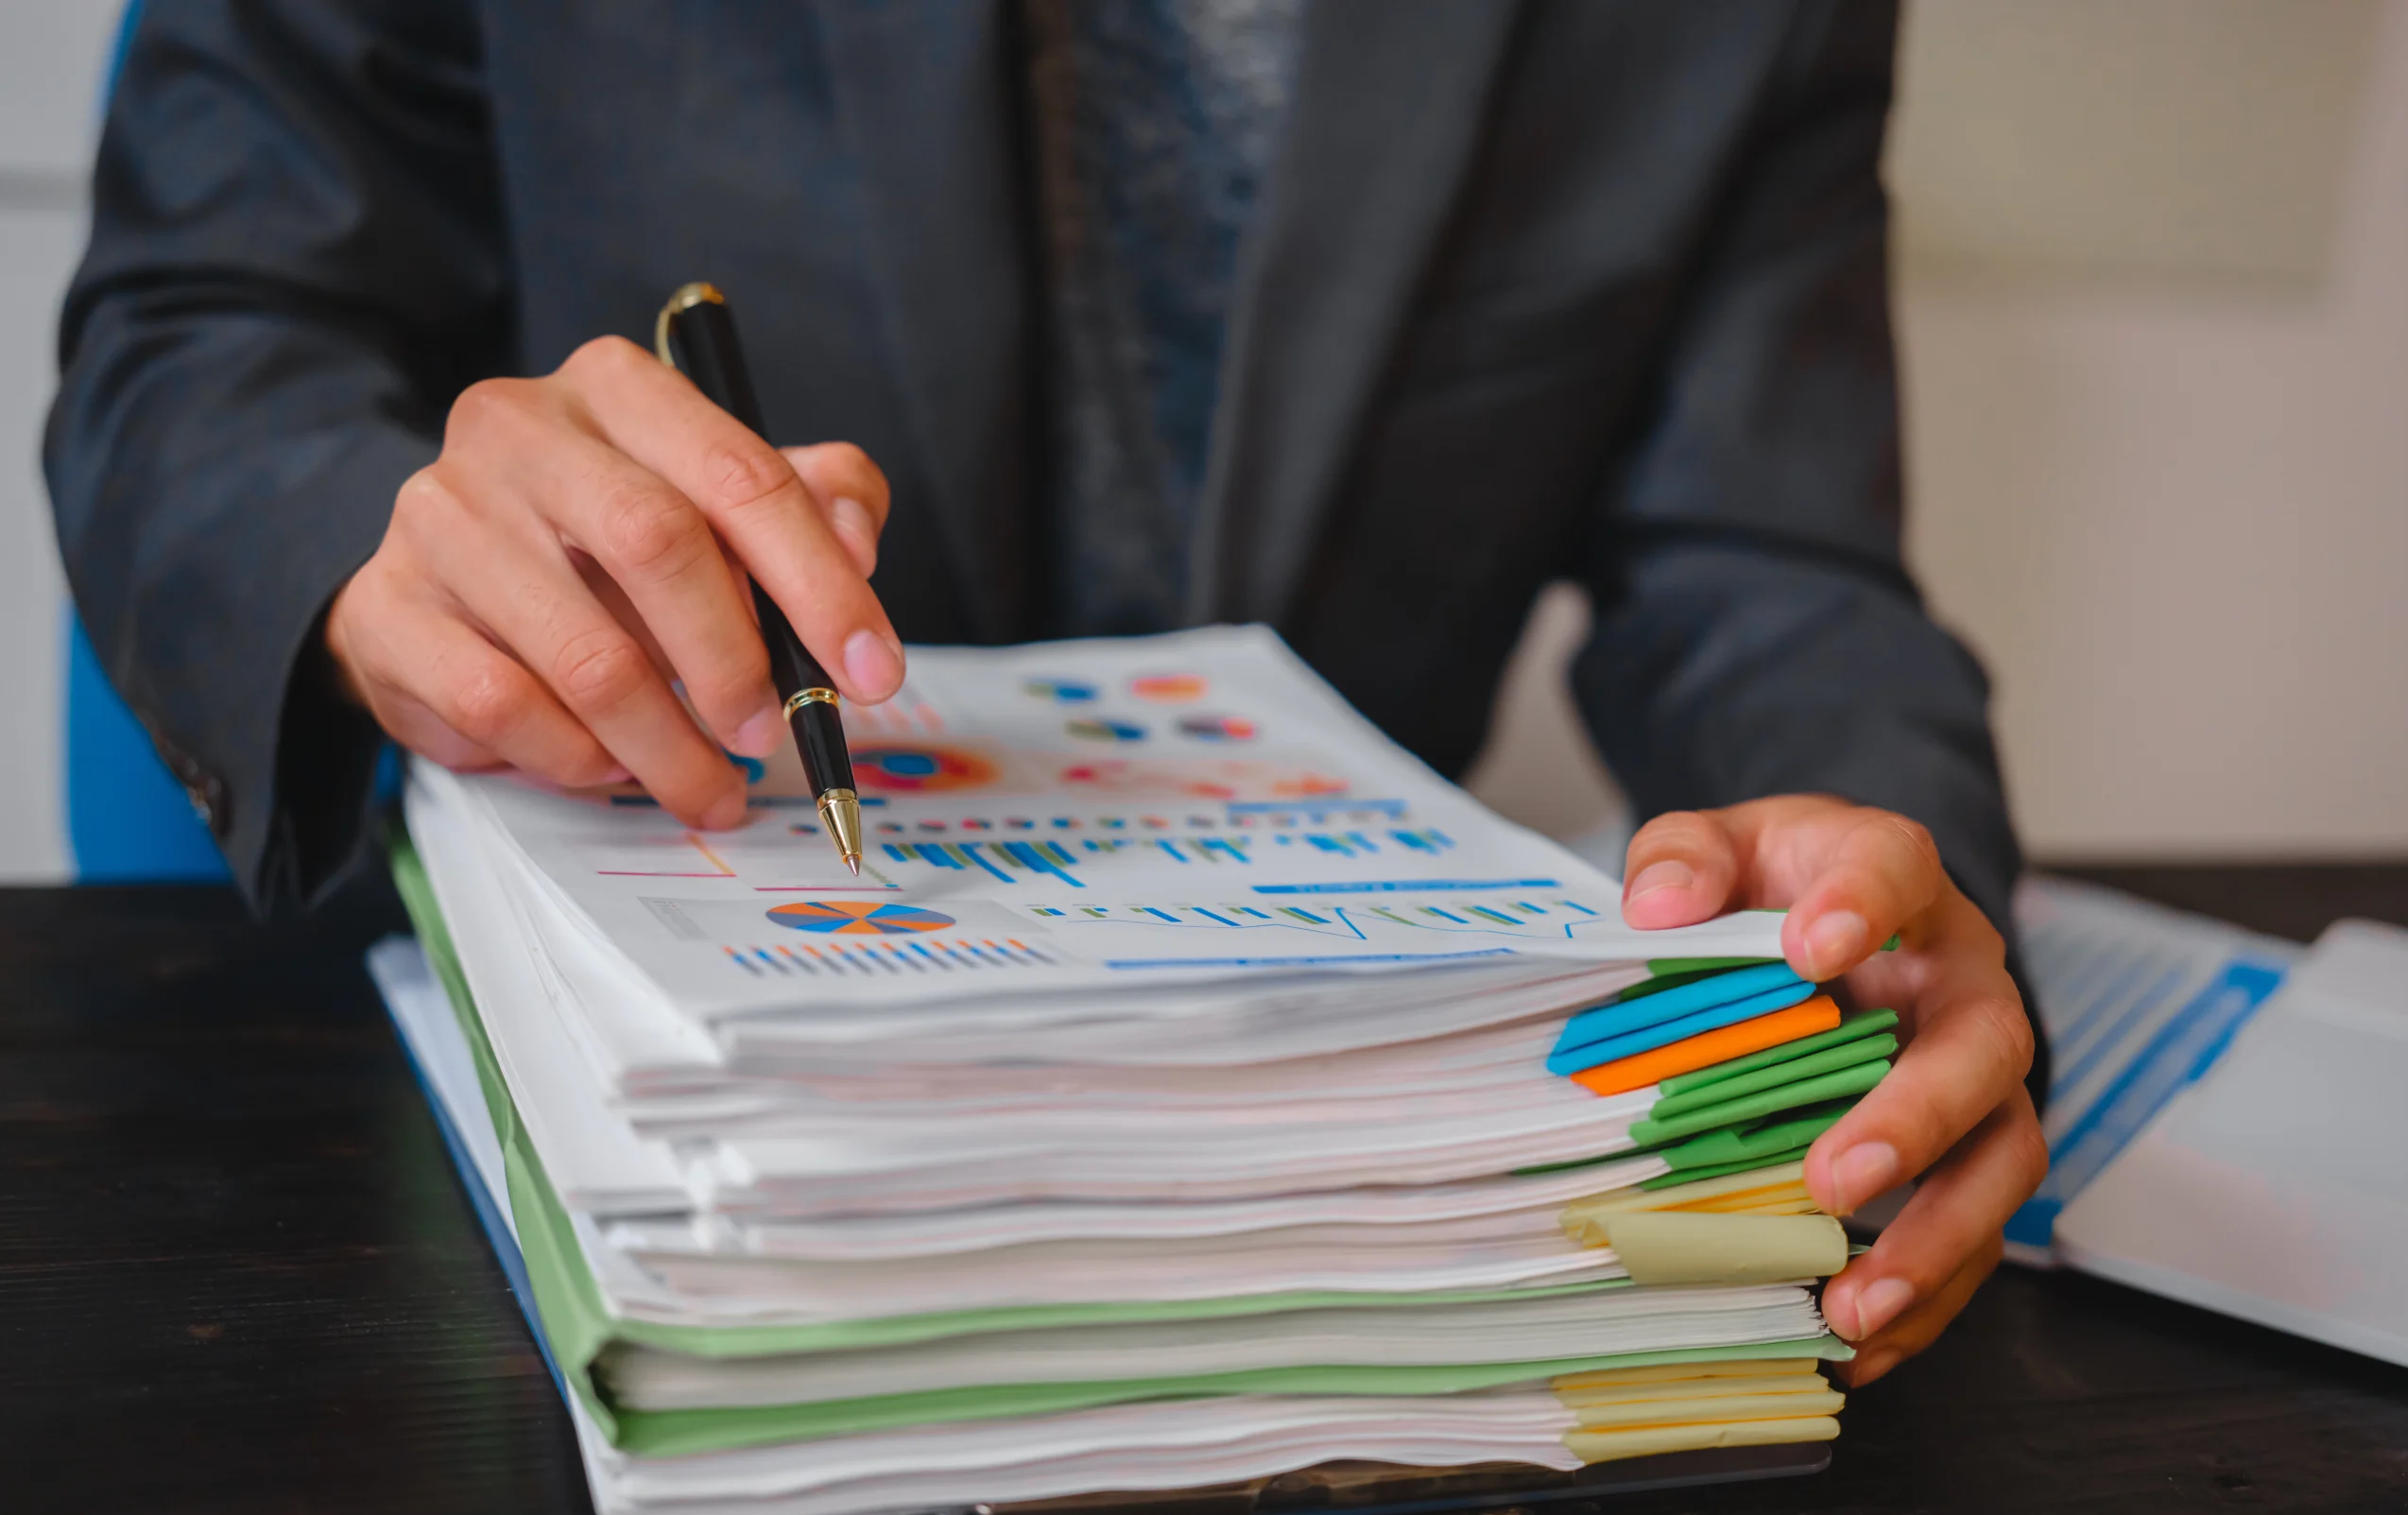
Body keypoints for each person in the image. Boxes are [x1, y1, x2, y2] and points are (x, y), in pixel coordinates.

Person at [43, 0, 2044, 1384]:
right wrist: (370, 537)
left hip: (1318, 1142)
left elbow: (1762, 563)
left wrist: (1869, 849)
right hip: (555, 1084)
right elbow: (208, 326)